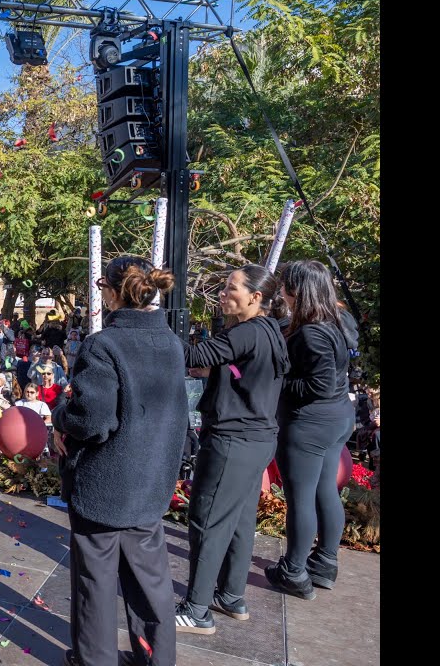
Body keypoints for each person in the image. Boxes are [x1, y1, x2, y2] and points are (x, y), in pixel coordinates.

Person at [53, 256, 188, 666]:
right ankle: (156, 658)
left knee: (95, 582)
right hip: (151, 479)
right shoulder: (171, 342)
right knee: (151, 581)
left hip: (105, 484)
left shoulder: (104, 345)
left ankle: (95, 660)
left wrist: (60, 418)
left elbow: (91, 421)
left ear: (112, 293)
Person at [176, 265, 290, 634]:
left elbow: (193, 356)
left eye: (231, 287)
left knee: (207, 521)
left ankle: (196, 610)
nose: (223, 293)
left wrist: (150, 326)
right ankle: (230, 595)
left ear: (256, 297)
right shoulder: (268, 331)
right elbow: (244, 373)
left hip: (233, 441)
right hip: (257, 439)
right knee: (239, 521)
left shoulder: (247, 332)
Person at [266, 261, 355, 598]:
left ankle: (293, 570)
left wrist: (277, 382)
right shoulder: (334, 321)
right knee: (323, 491)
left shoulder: (311, 332)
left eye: (285, 284)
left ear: (297, 290)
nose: (281, 289)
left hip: (310, 423)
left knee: (301, 498)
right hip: (336, 418)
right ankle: (325, 563)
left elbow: (318, 384)